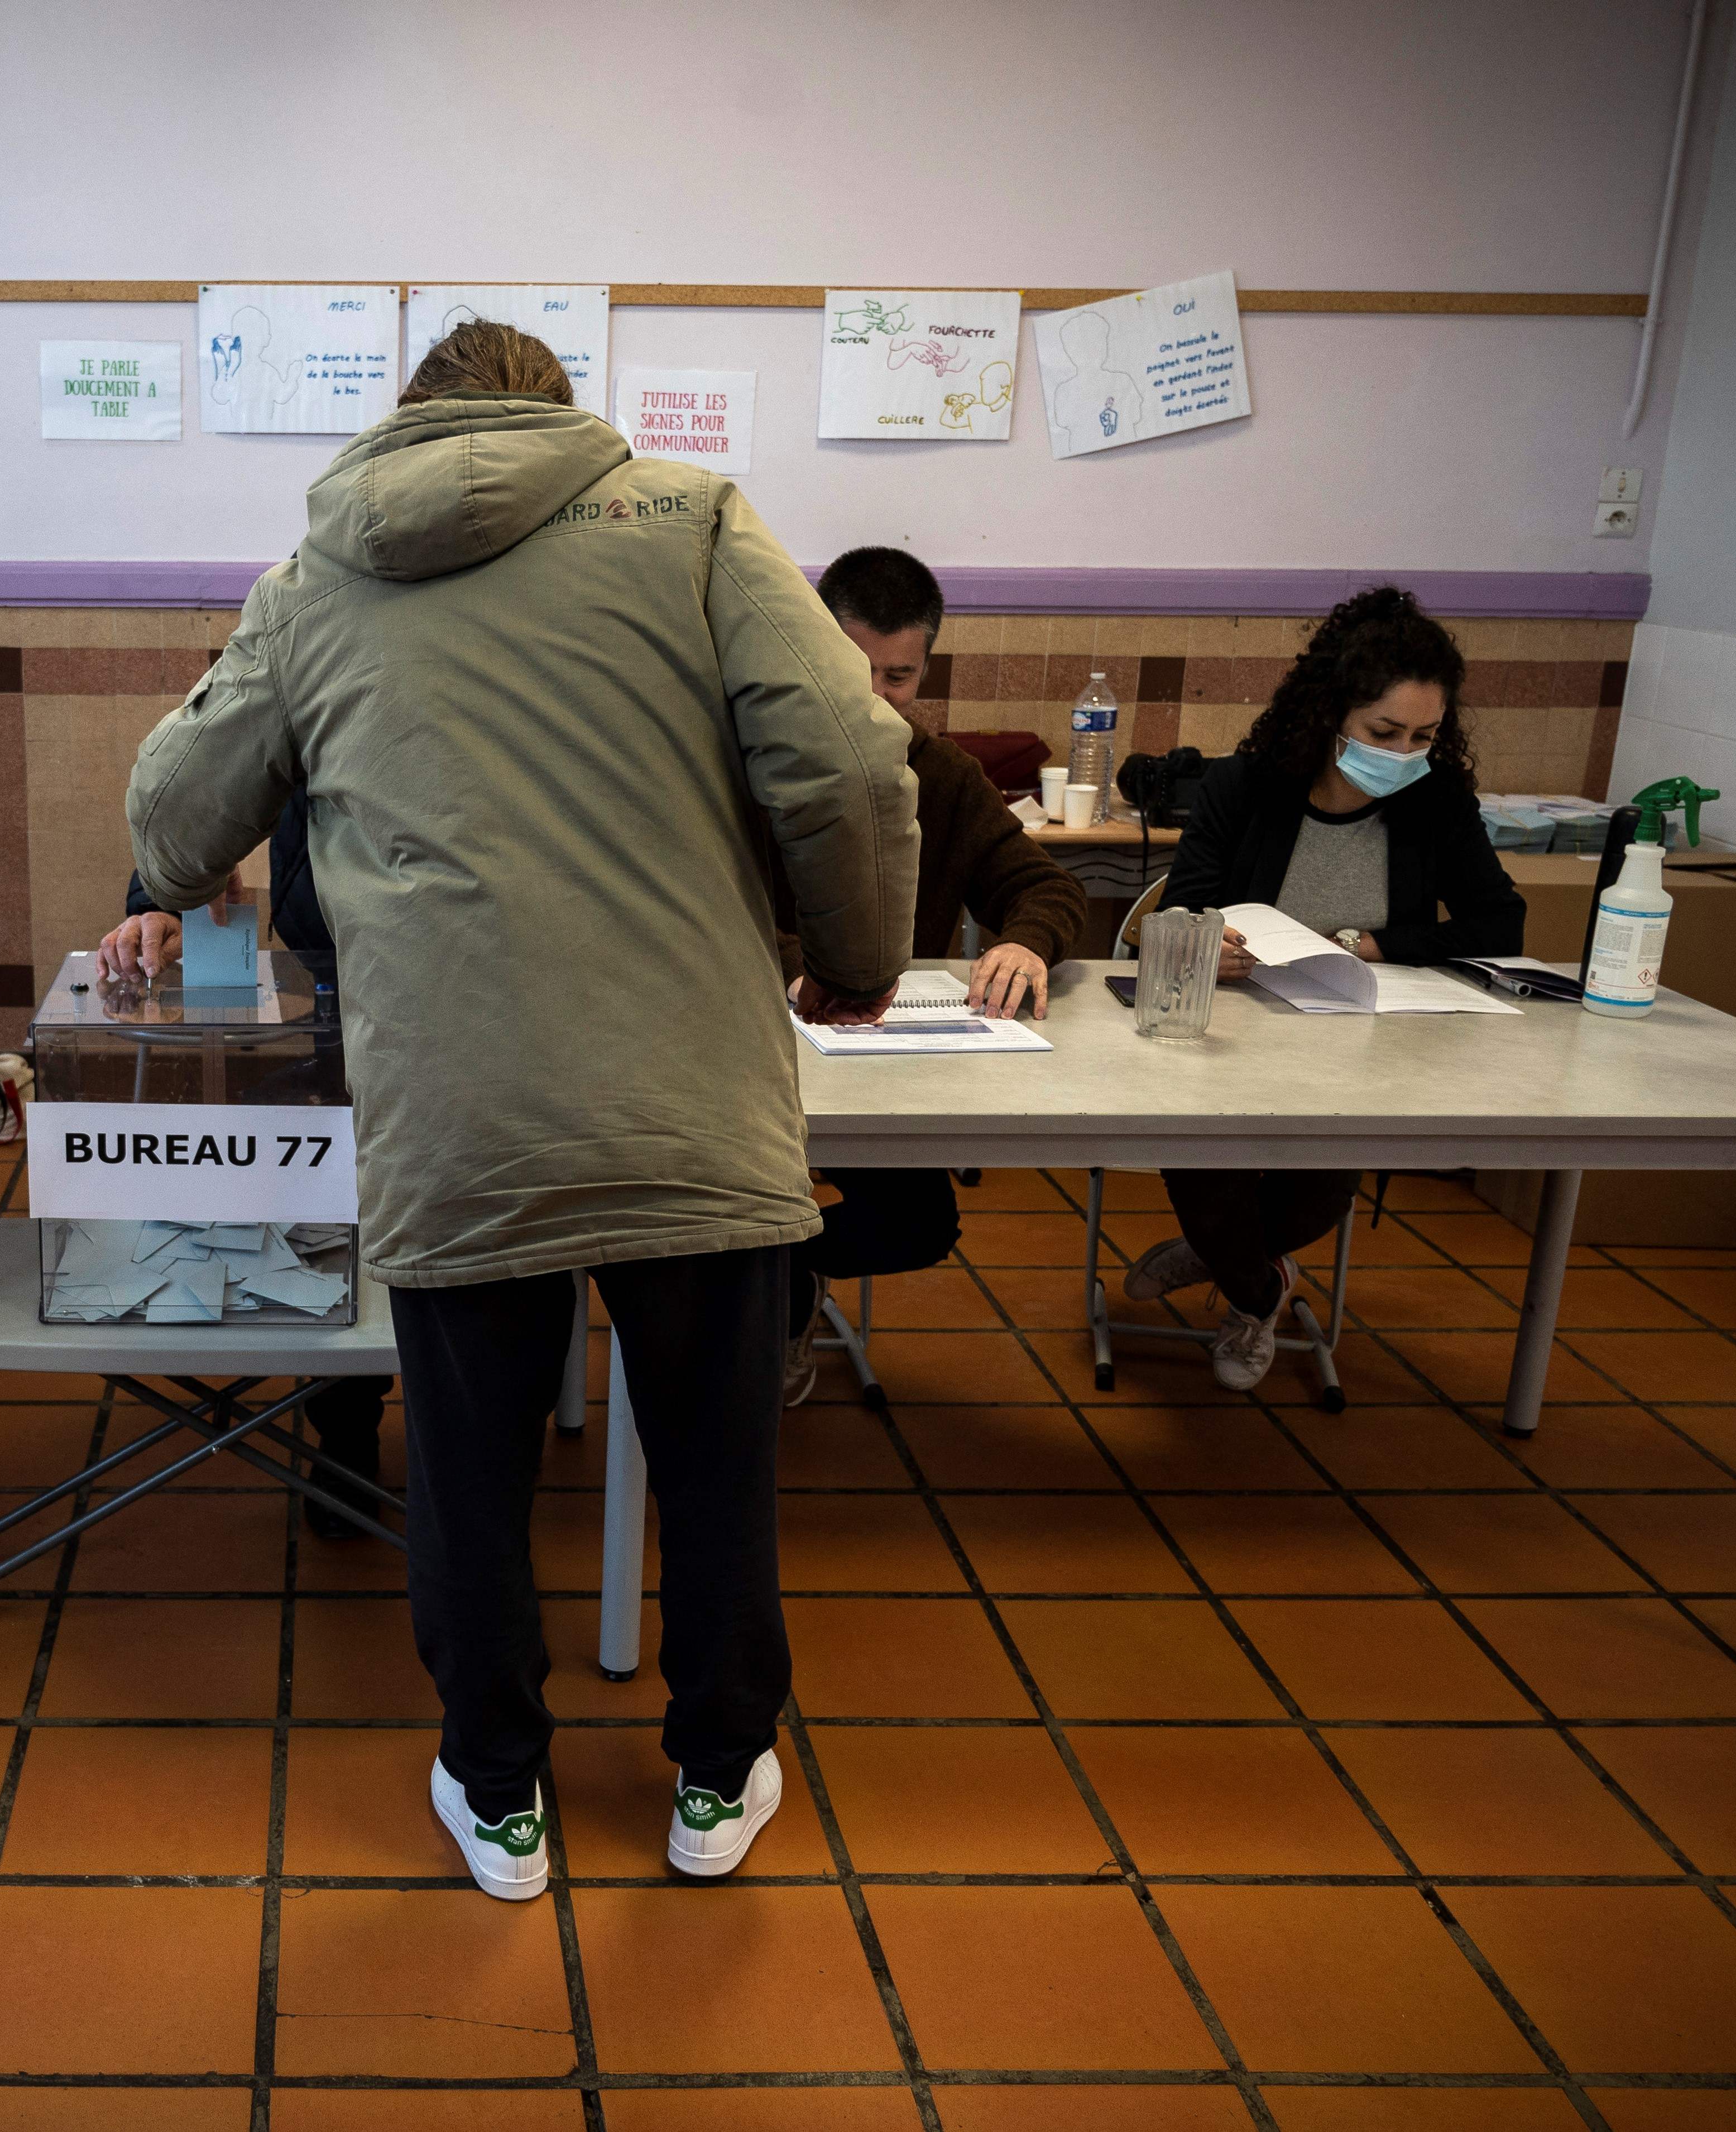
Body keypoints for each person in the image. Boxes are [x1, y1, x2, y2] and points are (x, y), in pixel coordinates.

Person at [127, 322, 919, 1897]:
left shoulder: (310, 581)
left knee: (472, 1475)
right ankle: (711, 1779)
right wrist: (854, 954)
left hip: (457, 1103)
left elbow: (173, 814)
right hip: (685, 1090)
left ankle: (498, 1795)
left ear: (408, 424)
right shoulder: (693, 522)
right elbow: (845, 761)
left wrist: (164, 875)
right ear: (563, 415)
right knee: (713, 1461)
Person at [1144, 584, 1524, 1387]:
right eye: (1384, 732)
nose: (1403, 752)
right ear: (1331, 714)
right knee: (1202, 1168)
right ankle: (1257, 1286)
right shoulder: (1244, 787)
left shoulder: (1436, 802)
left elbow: (1500, 923)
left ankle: (1228, 1263)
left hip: (1361, 1043)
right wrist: (1210, 943)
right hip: (1233, 1033)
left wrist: (1374, 943)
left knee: (1315, 1197)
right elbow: (1182, 905)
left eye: (1424, 736)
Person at [789, 547, 1089, 1397]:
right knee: (713, 1209)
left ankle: (783, 1274)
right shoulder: (750, 761)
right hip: (755, 1058)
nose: (877, 699)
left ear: (925, 670)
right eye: (855, 672)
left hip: (877, 1068)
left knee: (919, 1224)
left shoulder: (945, 777)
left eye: (900, 677)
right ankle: (759, 1292)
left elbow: (1044, 886)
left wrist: (1027, 941)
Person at [98, 811, 394, 1542]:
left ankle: (488, 1436)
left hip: (463, 973)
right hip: (334, 966)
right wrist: (161, 898)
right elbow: (213, 779)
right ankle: (348, 1425)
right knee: (315, 1176)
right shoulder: (297, 691)